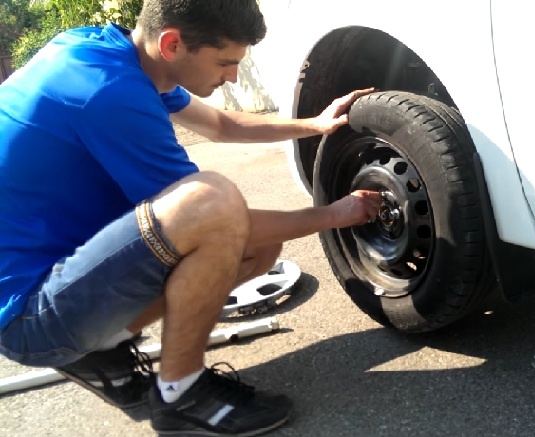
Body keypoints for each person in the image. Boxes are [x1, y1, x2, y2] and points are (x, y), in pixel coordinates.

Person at [0, 0, 381, 435]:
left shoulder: (108, 52)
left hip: (58, 281)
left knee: (256, 245)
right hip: (29, 318)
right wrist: (333, 214)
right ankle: (181, 395)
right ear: (172, 44)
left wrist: (314, 124)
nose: (233, 76)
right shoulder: (109, 93)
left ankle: (102, 351)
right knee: (210, 200)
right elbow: (209, 216)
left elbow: (221, 125)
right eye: (224, 62)